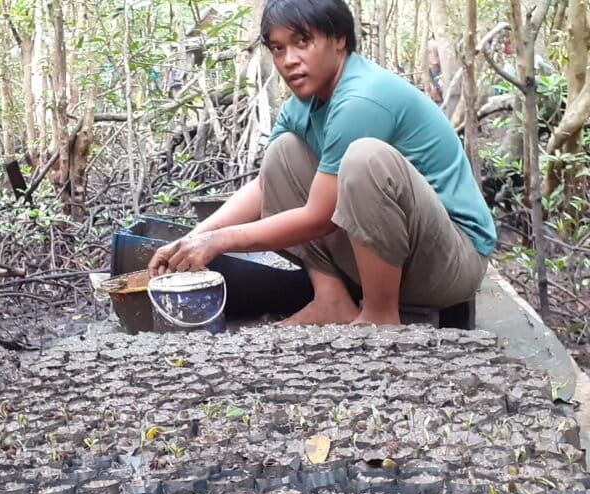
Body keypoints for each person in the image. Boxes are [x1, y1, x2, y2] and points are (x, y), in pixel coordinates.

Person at [147, 0, 496, 326]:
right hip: (399, 257)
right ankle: (332, 299)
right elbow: (265, 187)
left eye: (303, 42)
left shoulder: (361, 98)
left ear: (339, 39)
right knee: (282, 153)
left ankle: (379, 316)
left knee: (364, 159)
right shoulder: (304, 103)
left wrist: (219, 242)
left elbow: (318, 217)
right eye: (278, 48)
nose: (289, 60)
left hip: (450, 264)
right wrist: (193, 239)